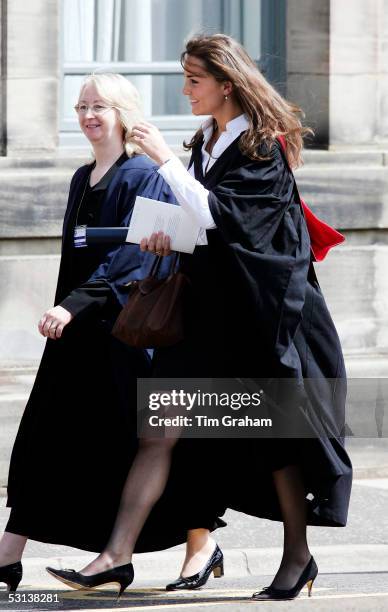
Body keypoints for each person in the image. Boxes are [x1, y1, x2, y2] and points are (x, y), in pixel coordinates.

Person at [47, 34, 352, 602]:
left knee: (275, 439)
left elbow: (227, 218)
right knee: (160, 428)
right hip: (208, 313)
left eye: (194, 80)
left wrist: (164, 159)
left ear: (226, 85)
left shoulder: (263, 147)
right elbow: (200, 221)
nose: (184, 90)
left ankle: (296, 555)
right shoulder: (206, 141)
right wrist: (167, 236)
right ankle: (115, 558)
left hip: (264, 318)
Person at [0, 72, 205, 595]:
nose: (89, 115)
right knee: (45, 438)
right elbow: (75, 257)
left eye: (100, 106)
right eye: (82, 106)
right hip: (74, 334)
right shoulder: (80, 177)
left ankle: (198, 541)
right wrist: (65, 311)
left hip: (125, 333)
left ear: (122, 114)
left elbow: (131, 258)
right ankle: (9, 552)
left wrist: (71, 307)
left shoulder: (143, 175)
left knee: (140, 445)